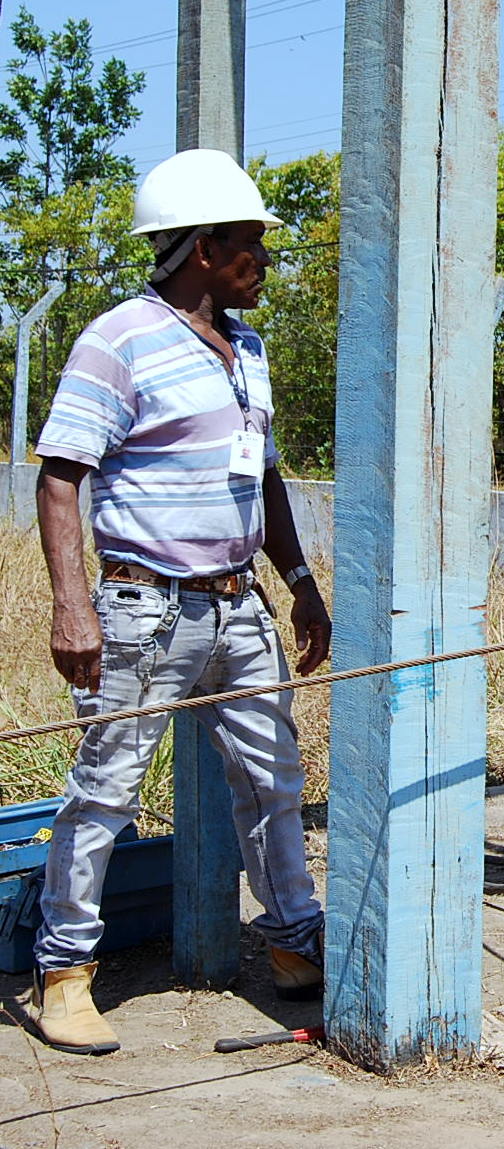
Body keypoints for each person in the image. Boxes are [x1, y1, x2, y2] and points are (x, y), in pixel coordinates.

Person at [30, 149, 330, 1055]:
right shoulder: (117, 340)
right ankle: (65, 970)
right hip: (143, 609)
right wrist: (71, 606)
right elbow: (59, 479)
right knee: (107, 789)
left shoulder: (249, 348)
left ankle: (291, 941)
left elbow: (264, 478)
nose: (265, 259)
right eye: (251, 243)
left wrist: (301, 583)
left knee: (274, 780)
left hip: (239, 607)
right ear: (203, 246)